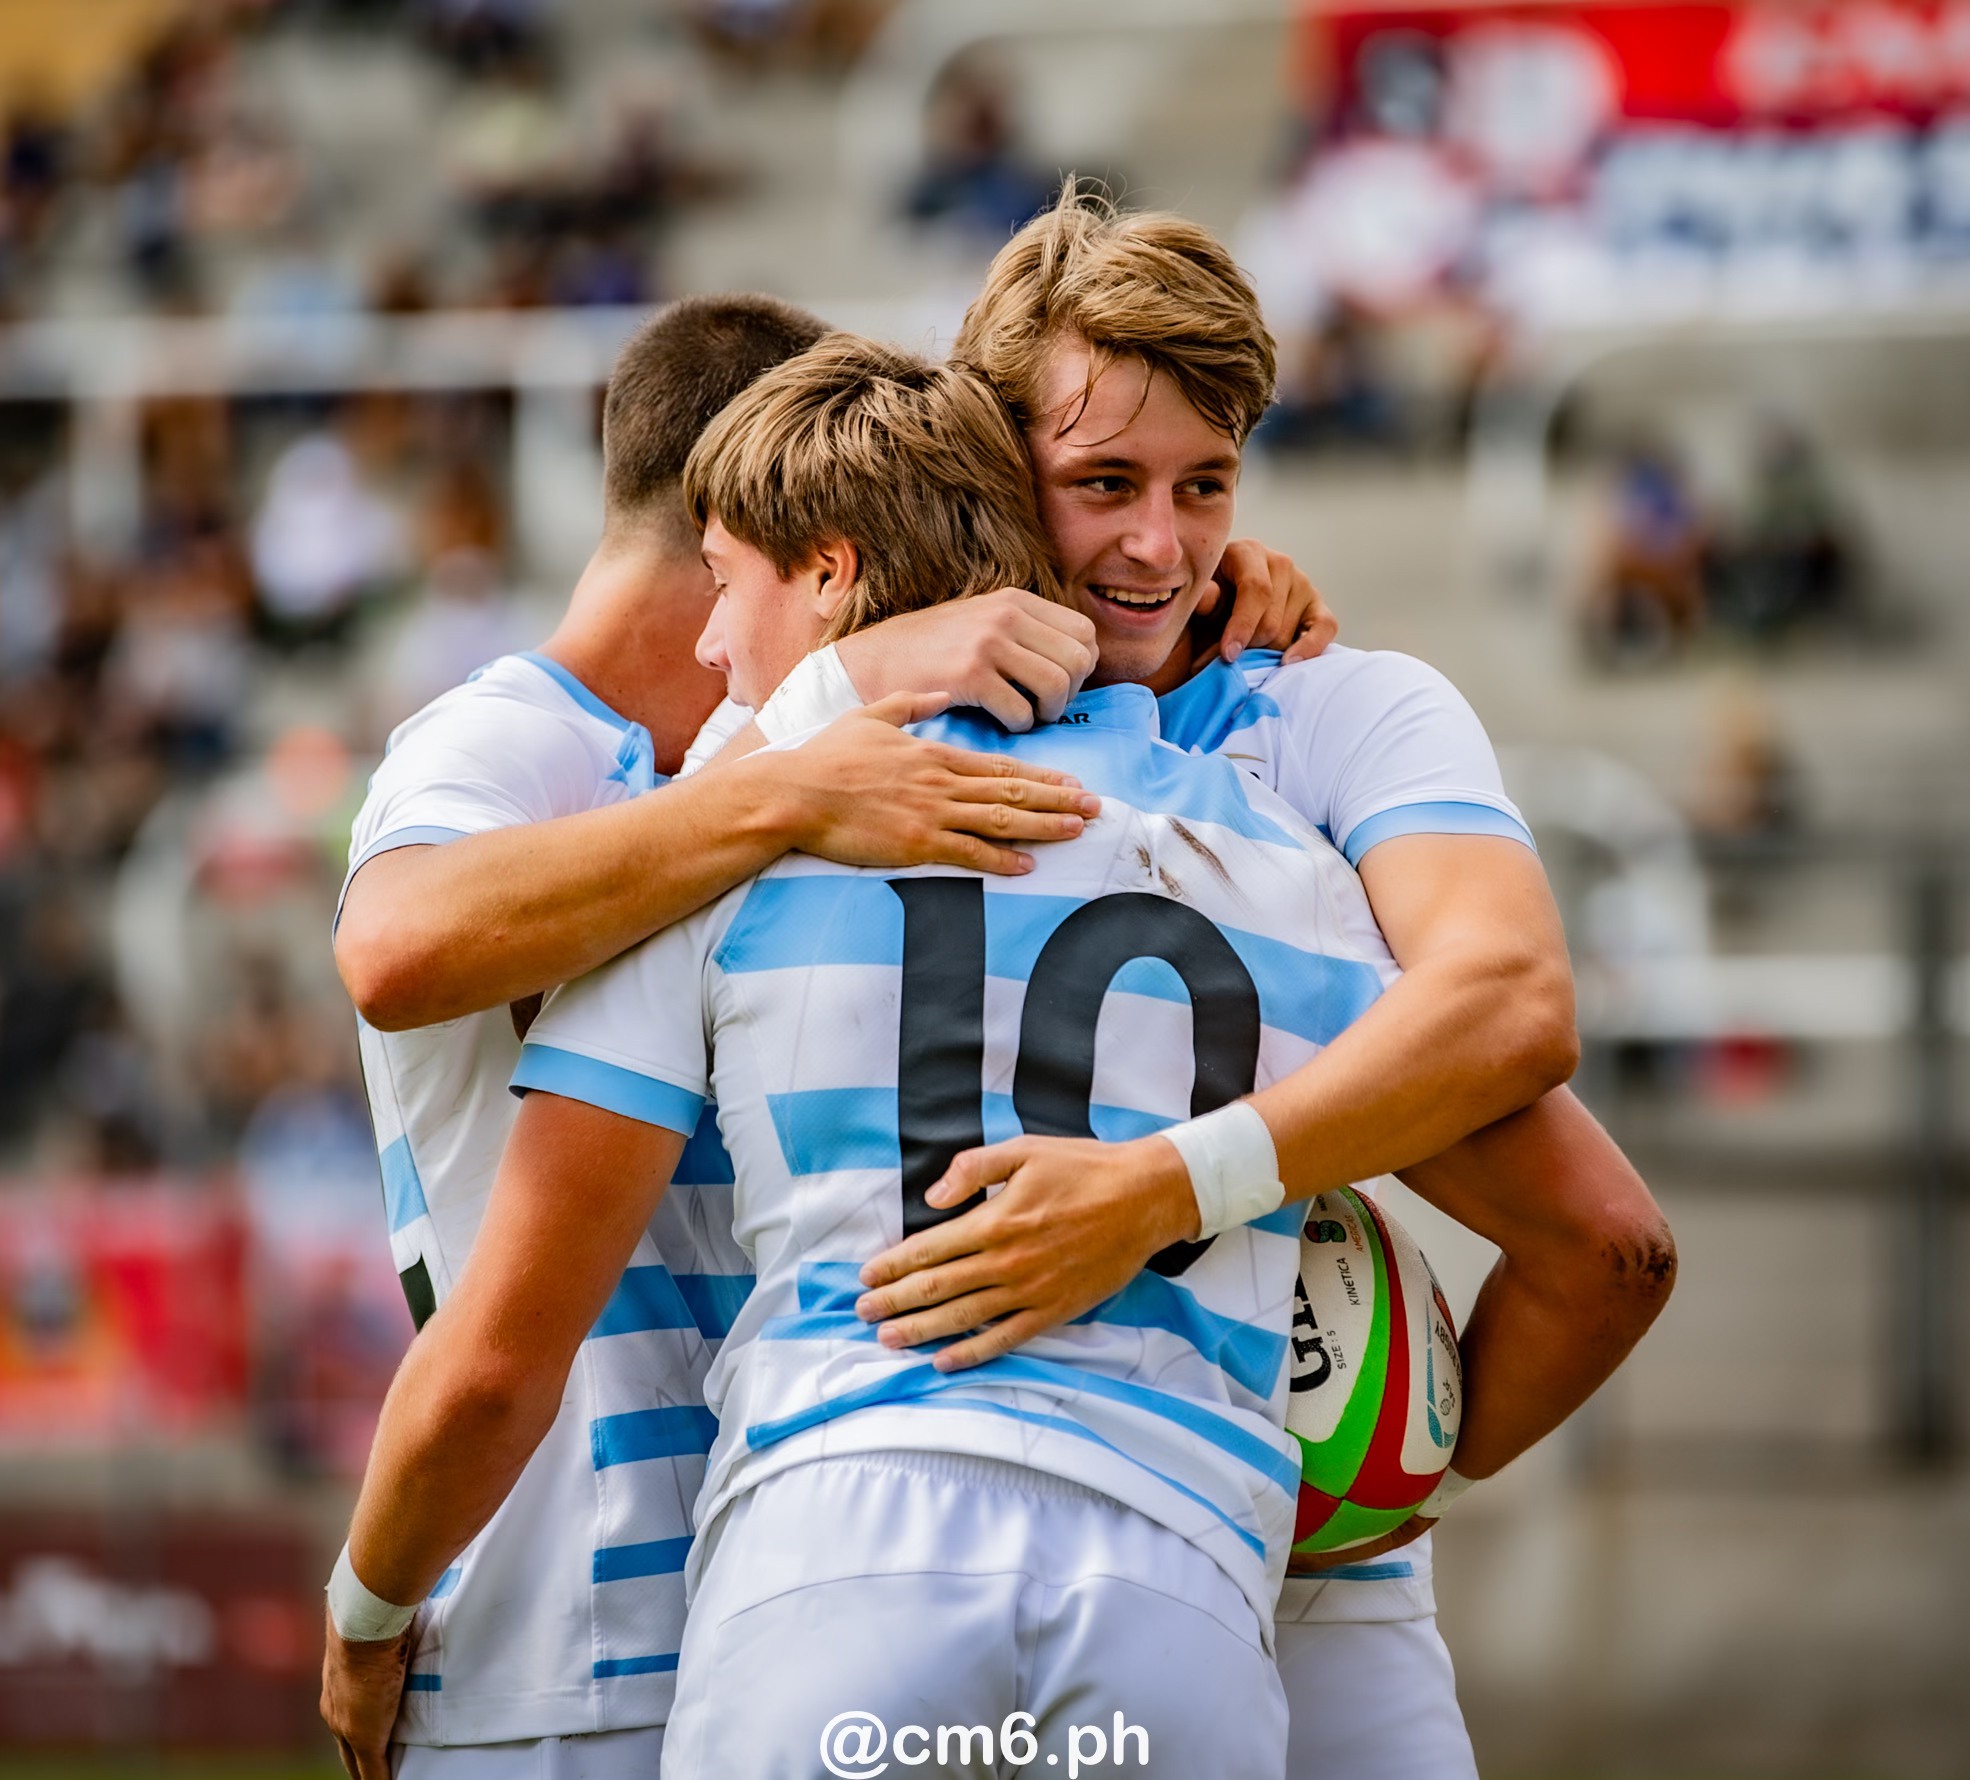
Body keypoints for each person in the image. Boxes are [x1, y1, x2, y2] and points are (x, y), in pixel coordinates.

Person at [340, 331, 1408, 1778]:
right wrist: (799, 751)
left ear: (824, 562)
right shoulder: (553, 753)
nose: (722, 643)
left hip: (794, 1560)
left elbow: (494, 1353)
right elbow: (395, 950)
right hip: (615, 1608)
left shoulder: (765, 845)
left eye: (741, 588)